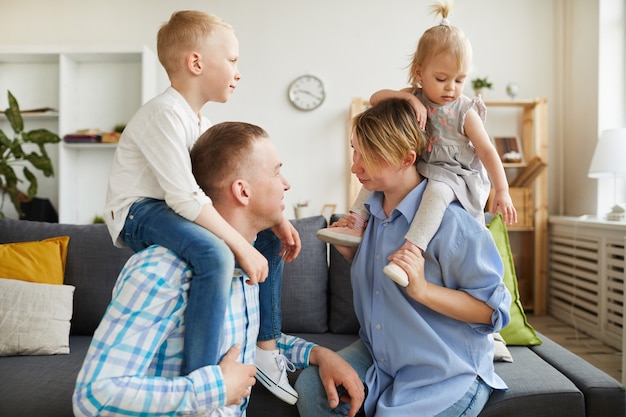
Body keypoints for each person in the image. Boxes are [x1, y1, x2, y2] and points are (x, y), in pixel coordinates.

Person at [74, 121, 365, 417]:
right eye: (276, 171)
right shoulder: (162, 270)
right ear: (242, 191)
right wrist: (215, 389)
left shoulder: (248, 267)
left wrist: (320, 355)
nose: (286, 184)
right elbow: (94, 397)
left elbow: (246, 341)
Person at [102, 11, 300, 403]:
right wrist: (240, 247)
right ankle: (205, 377)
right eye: (232, 60)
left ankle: (266, 348)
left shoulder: (200, 123)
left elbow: (216, 184)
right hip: (139, 211)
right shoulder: (163, 114)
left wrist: (273, 220)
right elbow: (185, 197)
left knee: (268, 243)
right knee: (214, 254)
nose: (238, 72)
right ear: (196, 63)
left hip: (171, 207)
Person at [296, 98, 512, 417]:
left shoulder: (454, 225)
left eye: (368, 155)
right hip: (380, 355)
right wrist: (350, 253)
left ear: (407, 158)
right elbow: (383, 294)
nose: (356, 166)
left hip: (446, 370)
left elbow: (494, 311)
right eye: (355, 150)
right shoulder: (367, 218)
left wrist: (423, 290)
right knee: (314, 388)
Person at [316, 2, 517, 287]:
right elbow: (375, 98)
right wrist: (409, 99)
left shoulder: (464, 111)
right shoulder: (416, 95)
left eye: (460, 80)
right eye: (442, 78)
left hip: (453, 175)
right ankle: (356, 223)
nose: (451, 88)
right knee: (374, 175)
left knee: (436, 194)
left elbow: (486, 151)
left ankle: (412, 249)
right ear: (419, 73)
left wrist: (503, 190)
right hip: (423, 164)